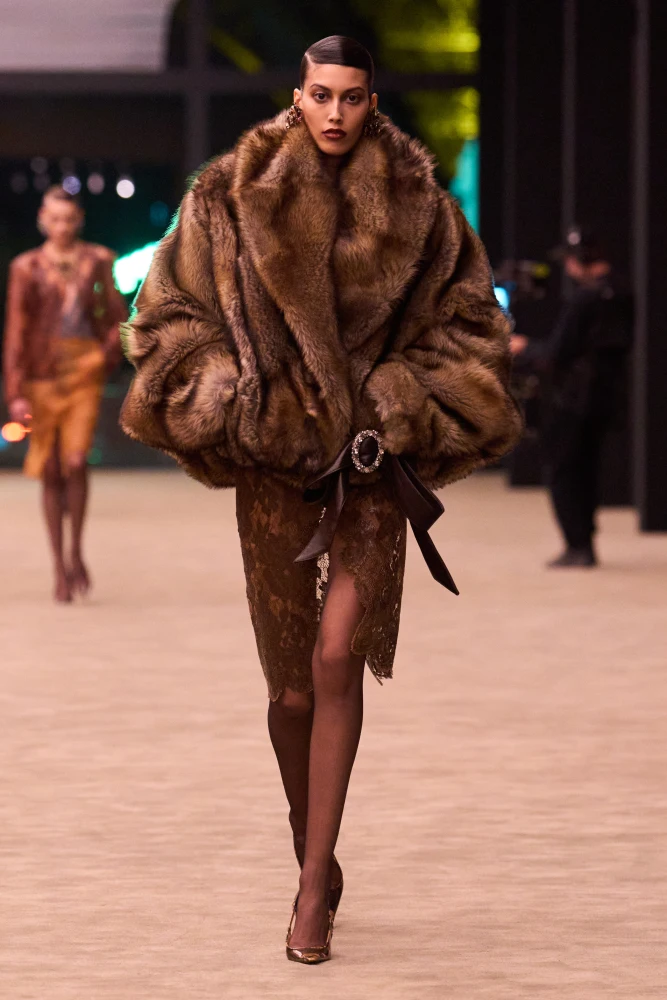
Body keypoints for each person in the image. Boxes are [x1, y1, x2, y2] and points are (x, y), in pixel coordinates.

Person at [121, 36, 522, 963]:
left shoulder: (423, 209)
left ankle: (310, 890)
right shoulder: (226, 196)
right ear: (296, 97)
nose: (335, 112)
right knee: (293, 689)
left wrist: (394, 402)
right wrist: (236, 397)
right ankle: (314, 841)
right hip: (275, 472)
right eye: (320, 94)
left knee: (339, 655)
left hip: (371, 469)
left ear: (372, 102)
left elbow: (472, 329)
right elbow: (166, 317)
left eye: (351, 96)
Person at [3, 185, 127, 601]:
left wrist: (106, 353)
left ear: (79, 220)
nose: (62, 226)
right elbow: (16, 330)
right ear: (43, 220)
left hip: (84, 368)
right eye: (55, 219)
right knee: (51, 468)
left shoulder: (98, 260)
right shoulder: (26, 266)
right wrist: (15, 390)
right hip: (42, 373)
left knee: (76, 460)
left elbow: (117, 314)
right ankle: (59, 565)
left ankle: (76, 551)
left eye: (69, 219)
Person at [511, 226, 633, 567]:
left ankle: (577, 543)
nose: (567, 267)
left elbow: (558, 352)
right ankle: (585, 539)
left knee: (564, 469)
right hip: (607, 395)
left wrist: (524, 347)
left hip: (575, 400)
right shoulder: (622, 291)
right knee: (587, 468)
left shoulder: (585, 299)